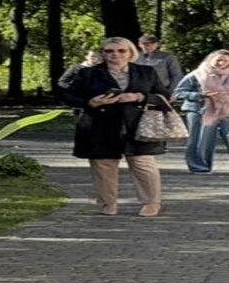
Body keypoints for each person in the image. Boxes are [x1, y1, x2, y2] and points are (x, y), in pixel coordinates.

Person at [60, 36, 167, 217]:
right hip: (100, 125)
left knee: (143, 164)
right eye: (109, 51)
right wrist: (91, 102)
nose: (115, 54)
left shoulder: (146, 72)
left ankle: (151, 203)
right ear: (102, 53)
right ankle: (108, 203)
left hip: (138, 124)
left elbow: (164, 95)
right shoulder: (88, 74)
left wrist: (139, 97)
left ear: (130, 53)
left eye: (121, 50)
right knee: (103, 165)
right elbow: (68, 96)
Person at [173, 50, 229, 174]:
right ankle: (199, 166)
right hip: (201, 109)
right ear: (210, 59)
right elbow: (178, 93)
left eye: (225, 61)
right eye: (218, 60)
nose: (221, 63)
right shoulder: (196, 74)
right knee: (202, 139)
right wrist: (201, 95)